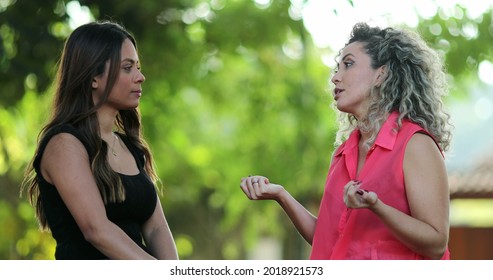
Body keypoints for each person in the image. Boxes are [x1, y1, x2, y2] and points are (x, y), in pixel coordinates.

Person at [240, 22, 453, 260]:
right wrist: (280, 195)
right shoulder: (343, 153)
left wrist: (377, 207)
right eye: (337, 68)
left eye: (348, 64)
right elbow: (329, 239)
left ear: (380, 75)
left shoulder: (415, 144)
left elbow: (436, 243)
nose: (335, 78)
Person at [21, 21, 178, 260]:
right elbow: (97, 230)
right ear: (94, 77)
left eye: (138, 67)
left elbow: (157, 228)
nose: (141, 77)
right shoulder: (64, 144)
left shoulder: (131, 147)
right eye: (128, 68)